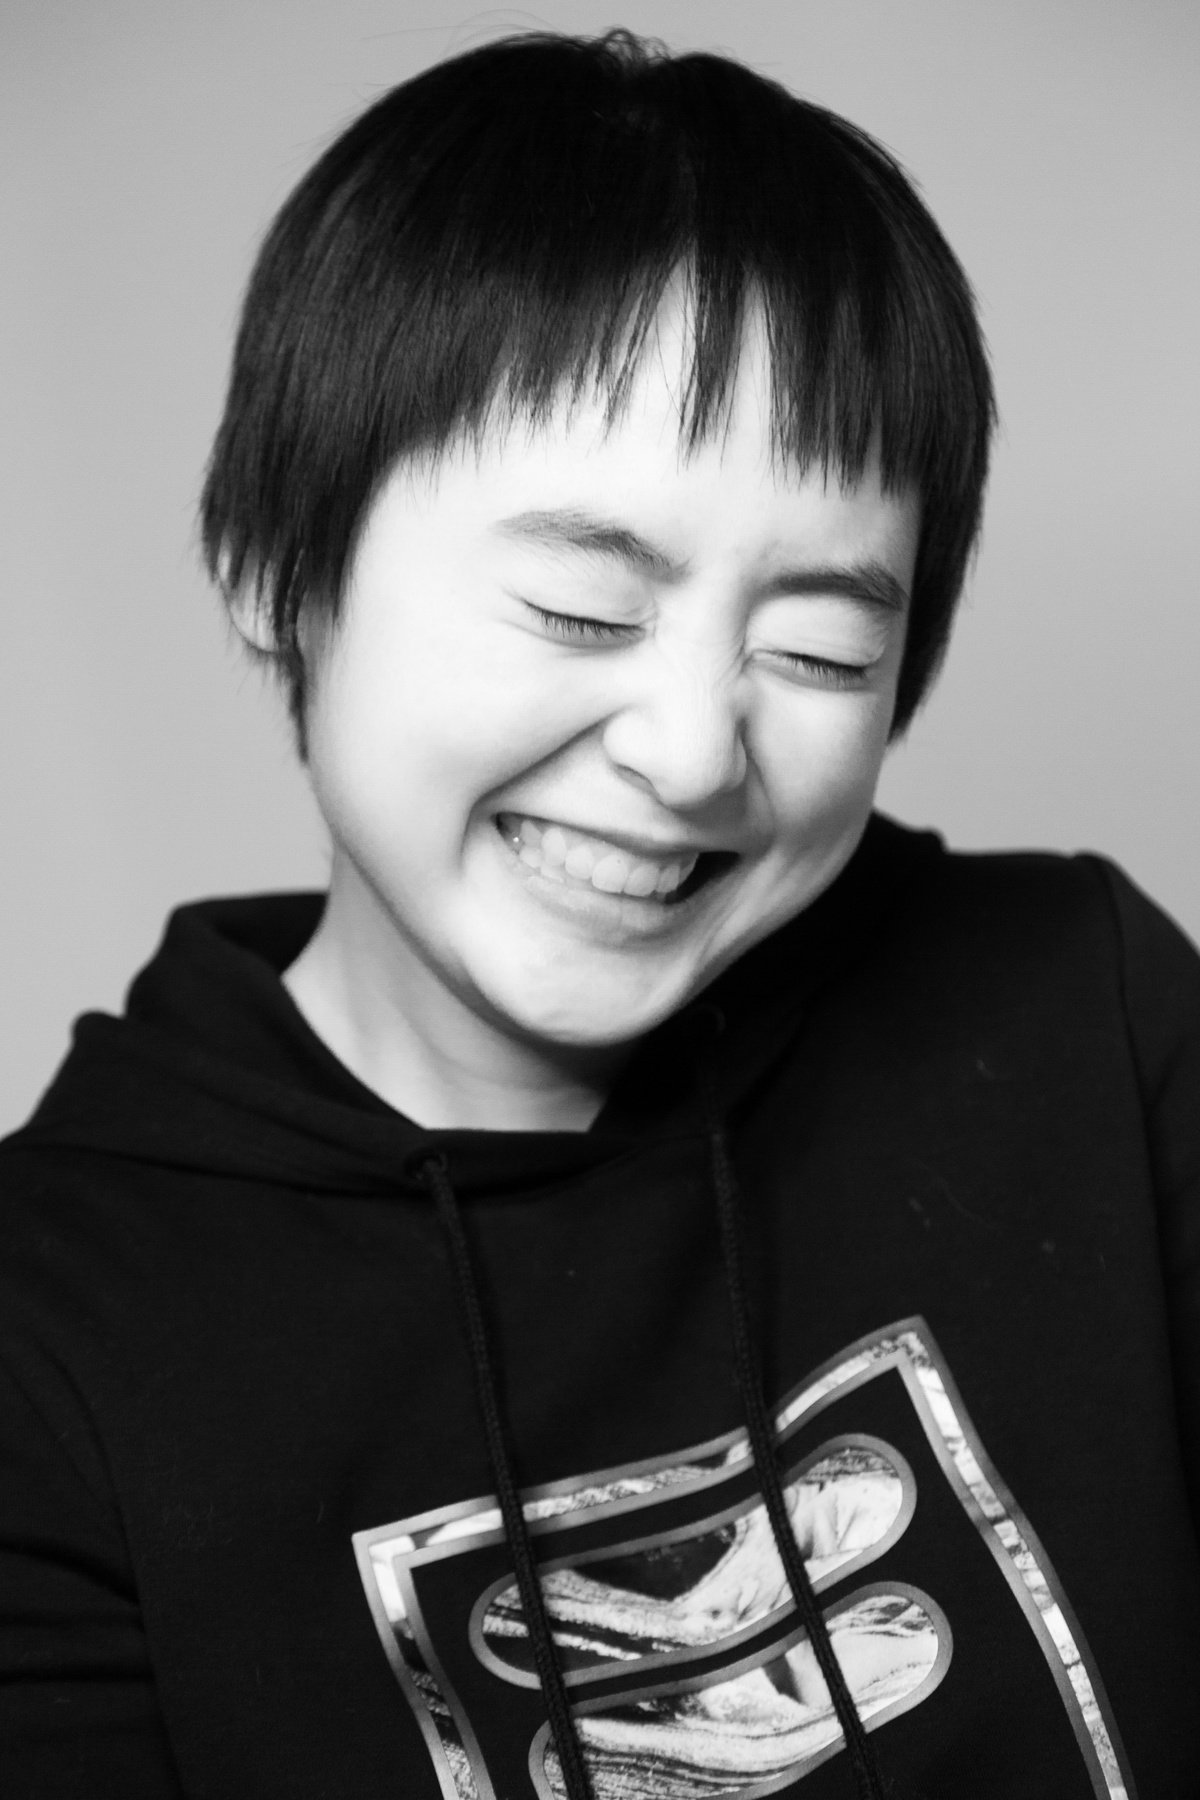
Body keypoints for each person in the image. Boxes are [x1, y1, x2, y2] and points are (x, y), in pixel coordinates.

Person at [1, 27, 1196, 1800]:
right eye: (580, 610)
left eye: (820, 650)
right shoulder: (49, 1350)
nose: (694, 752)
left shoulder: (1083, 1010)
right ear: (273, 569)